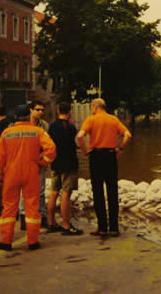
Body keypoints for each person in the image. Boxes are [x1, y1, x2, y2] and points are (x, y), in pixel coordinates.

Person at [0, 104, 56, 251]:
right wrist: (43, 162)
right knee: (32, 206)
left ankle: (6, 241)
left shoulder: (6, 133)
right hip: (31, 172)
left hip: (11, 174)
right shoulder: (38, 131)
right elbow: (51, 149)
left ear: (15, 117)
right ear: (29, 116)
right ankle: (33, 241)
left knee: (9, 207)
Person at [76, 98, 132, 236]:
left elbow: (79, 136)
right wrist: (121, 148)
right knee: (112, 191)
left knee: (98, 192)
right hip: (111, 156)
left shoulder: (91, 120)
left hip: (96, 156)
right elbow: (127, 135)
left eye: (91, 107)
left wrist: (84, 151)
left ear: (95, 107)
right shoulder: (113, 119)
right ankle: (114, 228)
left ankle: (102, 227)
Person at [46, 102, 83, 235]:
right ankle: (66, 225)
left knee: (54, 192)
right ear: (69, 112)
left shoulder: (52, 126)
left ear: (57, 111)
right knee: (66, 194)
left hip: (55, 163)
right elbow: (74, 143)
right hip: (68, 164)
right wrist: (71, 122)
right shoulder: (70, 127)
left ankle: (51, 223)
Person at [18, 100, 49, 231]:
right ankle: (23, 215)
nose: (40, 112)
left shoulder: (44, 126)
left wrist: (43, 155)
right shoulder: (23, 125)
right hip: (24, 162)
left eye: (42, 110)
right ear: (31, 110)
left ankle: (42, 216)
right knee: (24, 190)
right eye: (37, 109)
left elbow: (48, 143)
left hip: (39, 162)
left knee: (40, 190)